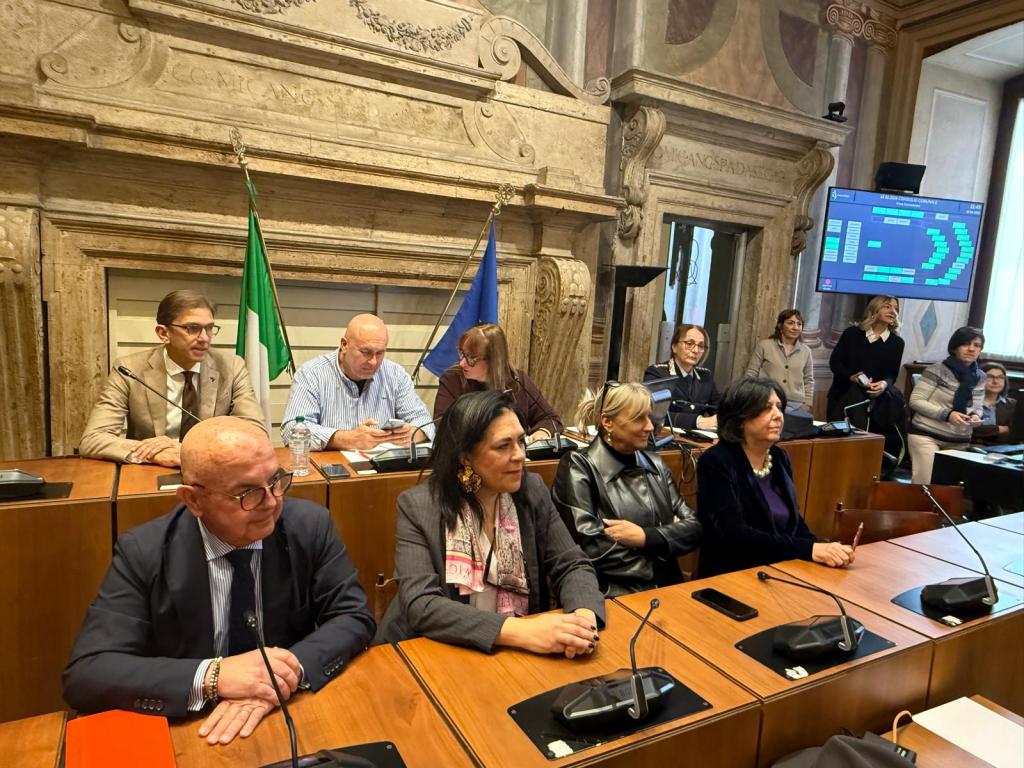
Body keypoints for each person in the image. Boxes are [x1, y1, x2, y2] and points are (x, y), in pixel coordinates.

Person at [63, 417, 375, 745]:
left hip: (286, 711)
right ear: (193, 500)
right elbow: (89, 672)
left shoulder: (309, 526)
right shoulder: (145, 551)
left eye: (275, 480)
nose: (272, 502)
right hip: (193, 728)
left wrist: (282, 673)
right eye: (248, 493)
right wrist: (213, 677)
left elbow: (352, 616)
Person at [377, 390, 605, 655]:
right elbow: (423, 605)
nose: (520, 455)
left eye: (521, 441)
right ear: (465, 457)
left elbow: (572, 564)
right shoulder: (419, 505)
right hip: (436, 651)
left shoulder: (531, 491)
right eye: (503, 446)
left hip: (518, 652)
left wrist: (583, 619)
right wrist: (521, 631)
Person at [79, 290, 264, 466]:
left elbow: (255, 432)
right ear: (163, 333)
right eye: (192, 328)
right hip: (155, 469)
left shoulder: (231, 367)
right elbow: (93, 439)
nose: (204, 338)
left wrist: (189, 451)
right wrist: (155, 453)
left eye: (209, 328)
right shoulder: (130, 369)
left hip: (213, 466)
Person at [551, 382, 702, 596]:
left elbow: (695, 528)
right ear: (608, 422)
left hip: (667, 591)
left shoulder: (655, 464)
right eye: (639, 418)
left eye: (649, 417)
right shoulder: (579, 466)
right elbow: (591, 547)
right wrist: (662, 552)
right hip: (611, 594)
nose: (650, 427)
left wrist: (644, 537)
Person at [696, 377, 854, 577]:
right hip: (734, 575)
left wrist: (820, 548)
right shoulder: (716, 461)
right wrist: (808, 550)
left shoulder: (779, 457)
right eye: (766, 408)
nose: (778, 415)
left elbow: (795, 521)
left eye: (779, 407)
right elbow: (734, 534)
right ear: (740, 418)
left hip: (782, 569)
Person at [281, 314, 433, 451]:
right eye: (366, 352)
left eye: (380, 353)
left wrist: (411, 434)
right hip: (333, 473)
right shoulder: (312, 374)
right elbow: (292, 431)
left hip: (383, 473)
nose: (373, 362)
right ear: (344, 345)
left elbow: (426, 422)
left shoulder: (395, 375)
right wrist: (348, 439)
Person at [434, 323, 562, 443]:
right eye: (462, 354)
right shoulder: (452, 380)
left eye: (471, 358)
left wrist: (543, 432)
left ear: (494, 360)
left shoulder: (518, 381)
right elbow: (443, 427)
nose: (462, 363)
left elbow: (551, 419)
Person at [826, 296, 906, 457]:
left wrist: (884, 384)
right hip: (843, 398)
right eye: (887, 307)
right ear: (874, 309)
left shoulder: (897, 342)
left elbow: (891, 374)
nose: (893, 311)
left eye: (896, 308)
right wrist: (852, 377)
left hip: (875, 404)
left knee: (863, 452)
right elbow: (835, 363)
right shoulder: (852, 334)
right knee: (836, 450)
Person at [908, 327, 987, 483]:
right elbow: (915, 401)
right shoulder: (937, 369)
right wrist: (948, 414)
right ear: (955, 347)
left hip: (959, 439)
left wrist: (976, 416)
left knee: (950, 490)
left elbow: (977, 406)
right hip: (926, 434)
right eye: (965, 344)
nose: (971, 349)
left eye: (976, 345)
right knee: (926, 483)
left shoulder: (981, 377)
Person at [644, 324, 720, 429]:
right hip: (666, 435)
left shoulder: (705, 376)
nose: (695, 350)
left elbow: (718, 410)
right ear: (674, 347)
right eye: (689, 343)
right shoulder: (658, 373)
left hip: (698, 437)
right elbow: (653, 414)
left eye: (701, 346)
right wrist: (698, 421)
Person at [745, 309, 814, 411]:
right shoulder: (765, 345)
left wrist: (807, 404)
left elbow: (809, 380)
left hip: (796, 405)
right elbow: (752, 373)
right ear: (780, 326)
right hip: (766, 400)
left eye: (799, 324)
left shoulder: (806, 351)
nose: (795, 327)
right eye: (790, 323)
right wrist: (749, 397)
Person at [974, 362, 1017, 445]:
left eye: (1000, 377)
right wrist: (1000, 429)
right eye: (990, 377)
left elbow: (1015, 432)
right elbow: (969, 430)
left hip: (1002, 449)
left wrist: (985, 430)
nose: (996, 381)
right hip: (971, 448)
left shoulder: (1013, 404)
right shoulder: (968, 401)